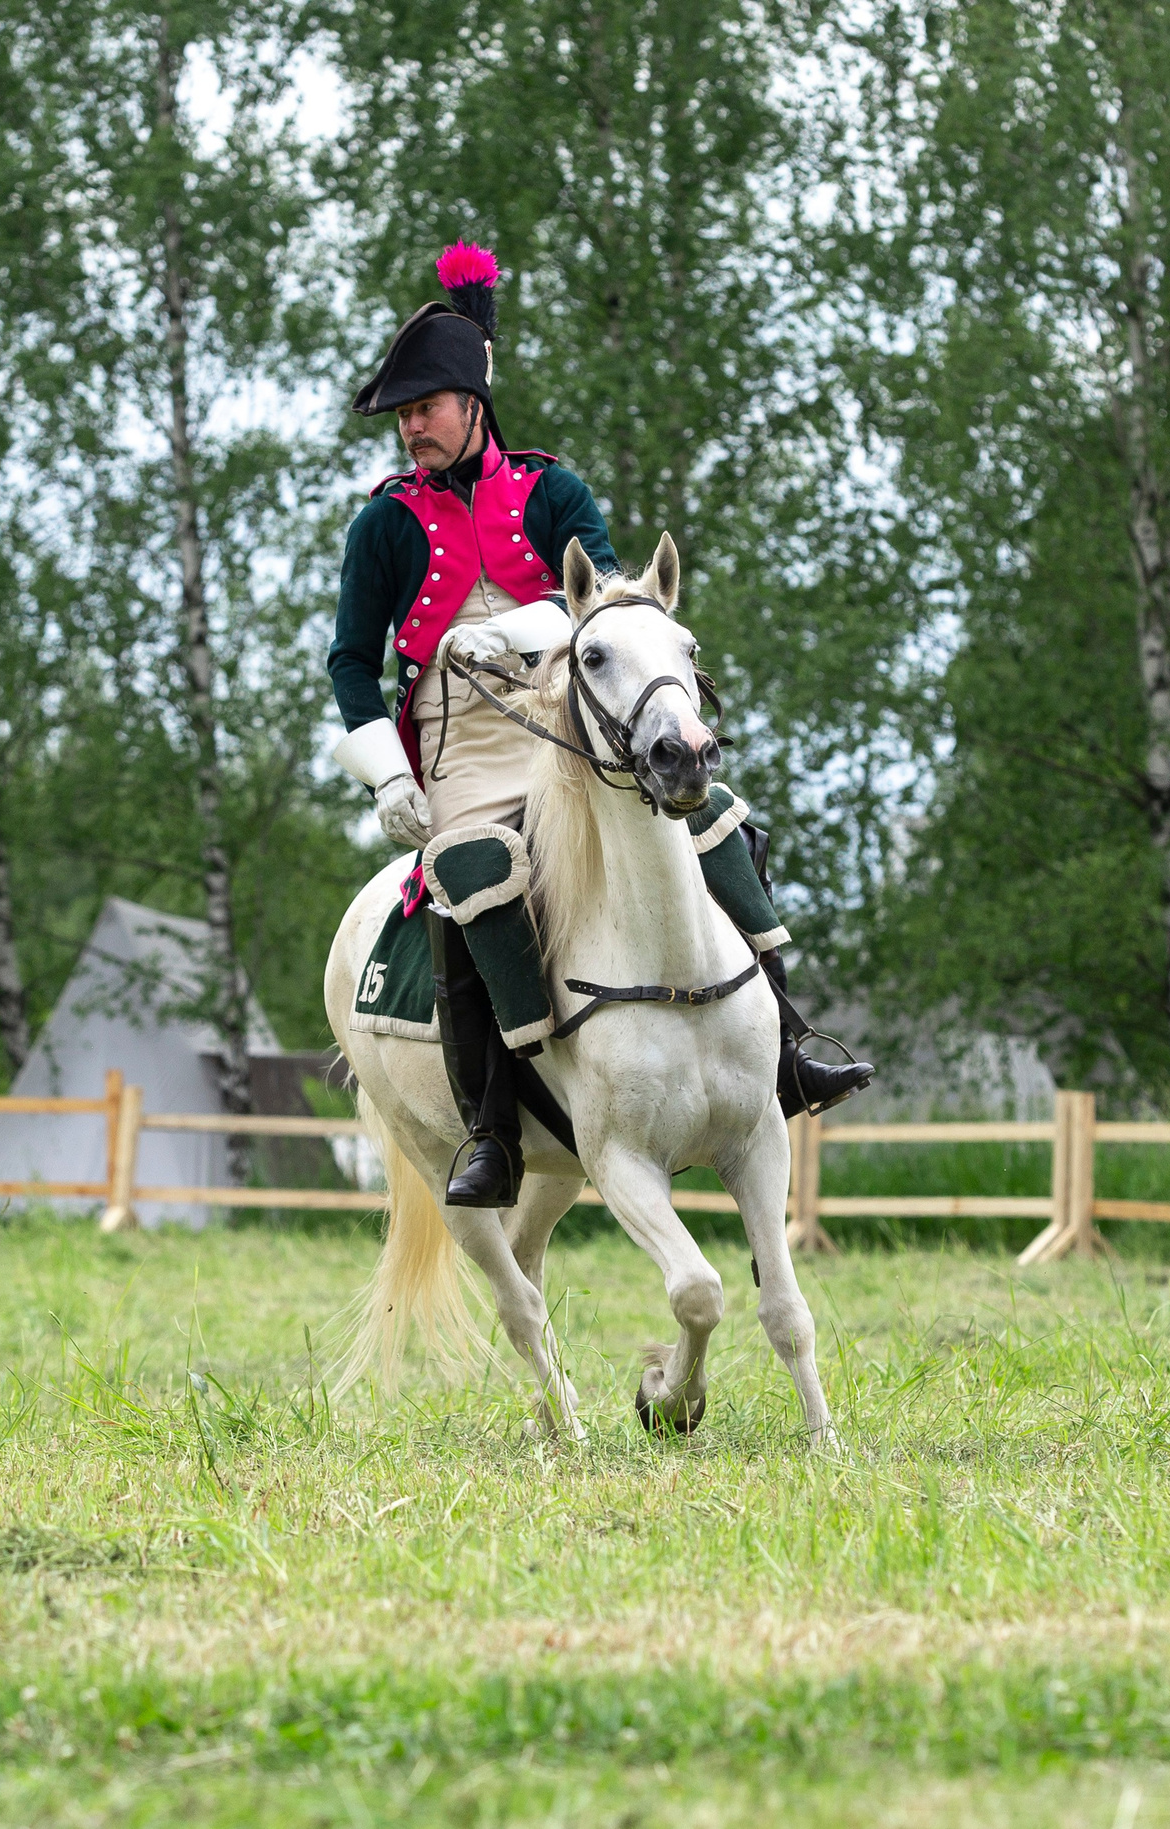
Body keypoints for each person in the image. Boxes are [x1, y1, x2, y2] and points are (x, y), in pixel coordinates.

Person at [328, 241, 871, 1208]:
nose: (410, 428)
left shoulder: (550, 493)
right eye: (402, 414)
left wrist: (515, 630)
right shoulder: (383, 525)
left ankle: (786, 1045)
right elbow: (349, 662)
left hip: (566, 728)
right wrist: (388, 775)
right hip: (457, 753)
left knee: (723, 822)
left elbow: (617, 603)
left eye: (425, 408)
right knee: (474, 881)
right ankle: (493, 1129)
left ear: (472, 404)